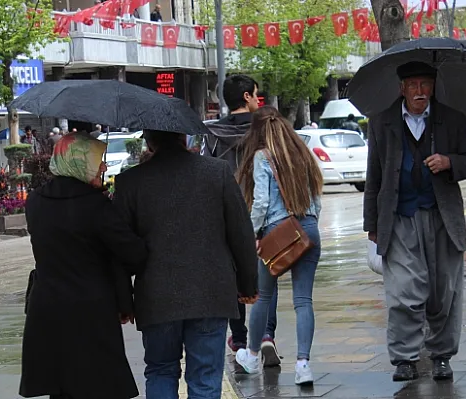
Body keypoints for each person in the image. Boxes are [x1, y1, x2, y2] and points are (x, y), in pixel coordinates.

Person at [114, 129, 258, 399]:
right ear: (184, 137)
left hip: (156, 297)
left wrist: (124, 301)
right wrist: (247, 284)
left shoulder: (129, 182)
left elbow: (120, 247)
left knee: (160, 370)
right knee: (205, 377)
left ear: (149, 141)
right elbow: (241, 232)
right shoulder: (216, 172)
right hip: (211, 292)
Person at [364, 61, 466, 382]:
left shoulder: (452, 120)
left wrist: (449, 162)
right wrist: (371, 224)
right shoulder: (381, 122)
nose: (420, 92)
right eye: (413, 85)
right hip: (399, 218)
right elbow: (374, 175)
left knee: (444, 293)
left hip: (442, 218)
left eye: (425, 85)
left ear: (433, 87)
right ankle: (404, 358)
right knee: (404, 291)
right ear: (401, 88)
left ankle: (442, 356)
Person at [20, 133, 147, 399]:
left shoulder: (35, 202)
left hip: (48, 311)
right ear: (79, 162)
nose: (104, 167)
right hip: (92, 314)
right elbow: (134, 253)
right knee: (100, 388)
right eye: (97, 160)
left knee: (62, 389)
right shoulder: (96, 206)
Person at [234, 106, 323, 385]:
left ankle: (250, 355)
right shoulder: (302, 153)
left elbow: (261, 202)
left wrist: (252, 234)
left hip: (278, 233)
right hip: (308, 229)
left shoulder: (263, 157)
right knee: (303, 301)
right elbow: (316, 198)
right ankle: (303, 365)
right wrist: (308, 225)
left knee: (263, 296)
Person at [202, 75, 280, 361]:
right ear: (247, 97)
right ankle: (267, 334)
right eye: (256, 95)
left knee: (234, 275)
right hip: (265, 211)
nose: (258, 100)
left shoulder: (211, 134)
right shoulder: (266, 130)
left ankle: (240, 338)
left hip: (226, 213)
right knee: (267, 275)